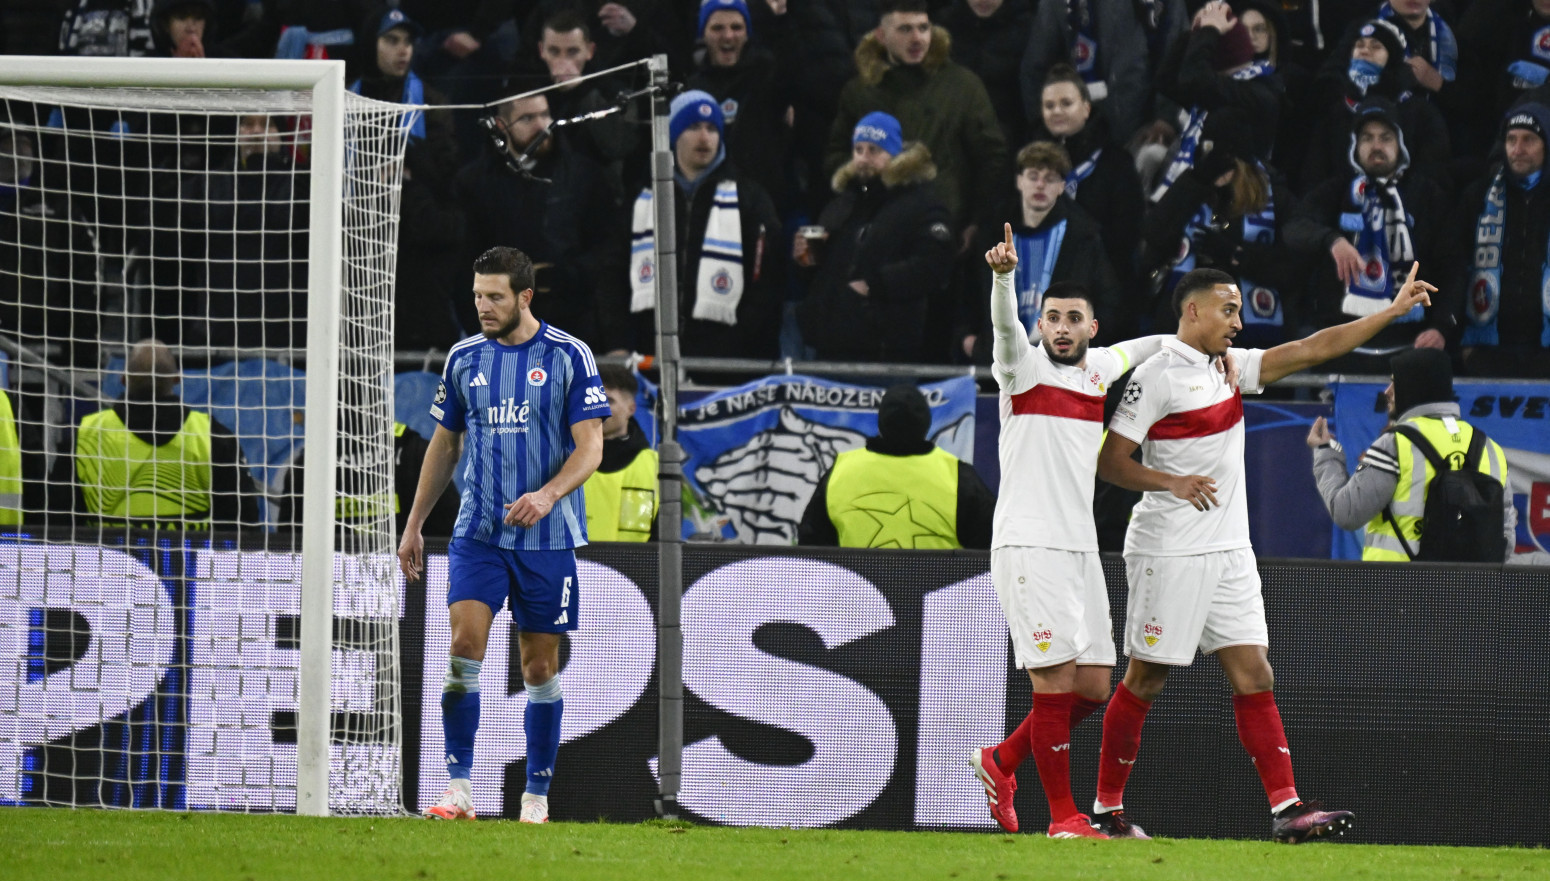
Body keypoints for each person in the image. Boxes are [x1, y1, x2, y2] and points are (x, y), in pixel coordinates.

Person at [1090, 263, 1434, 843]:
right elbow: (1110, 461)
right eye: (1228, 310)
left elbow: (1310, 348)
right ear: (1192, 310)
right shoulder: (1158, 376)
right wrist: (1170, 482)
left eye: (1240, 310)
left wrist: (1392, 313)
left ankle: (1287, 809)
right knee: (1146, 677)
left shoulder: (1229, 367)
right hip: (1171, 546)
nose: (1239, 321)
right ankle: (1105, 811)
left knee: (1254, 673)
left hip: (1229, 548)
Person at [966, 226, 1178, 840]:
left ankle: (1001, 761)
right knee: (1053, 683)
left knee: (1091, 685)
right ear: (1040, 326)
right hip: (1029, 544)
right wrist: (1003, 279)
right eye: (1051, 317)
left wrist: (1199, 344)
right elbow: (1005, 328)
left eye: (1073, 319)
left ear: (1091, 327)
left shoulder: (1098, 372)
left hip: (1080, 548)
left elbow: (1146, 346)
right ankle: (1063, 819)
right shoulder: (1021, 369)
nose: (1060, 327)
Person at [399, 246, 608, 824]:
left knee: (538, 668)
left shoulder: (569, 355)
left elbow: (591, 446)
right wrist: (414, 524)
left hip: (548, 536)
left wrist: (546, 495)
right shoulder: (465, 358)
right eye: (476, 297)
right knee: (464, 647)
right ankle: (459, 788)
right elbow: (445, 445)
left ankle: (536, 797)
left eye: (494, 297)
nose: (483, 307)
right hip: (479, 532)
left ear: (524, 297)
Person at [1284, 97, 1452, 371]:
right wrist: (1333, 240)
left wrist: (1442, 326)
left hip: (1410, 347)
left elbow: (1452, 266)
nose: (1376, 146)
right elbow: (1294, 228)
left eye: (1385, 138)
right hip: (1341, 349)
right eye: (1367, 138)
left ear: (1400, 145)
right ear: (1355, 146)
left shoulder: (1427, 195)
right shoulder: (1336, 191)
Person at [455, 87, 625, 352]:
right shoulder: (475, 184)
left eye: (545, 115)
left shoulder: (584, 176)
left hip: (573, 329)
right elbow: (464, 264)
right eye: (527, 118)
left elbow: (606, 252)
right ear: (501, 125)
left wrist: (568, 274)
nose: (542, 126)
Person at [825, 0, 1007, 244]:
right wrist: (863, 169)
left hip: (944, 229)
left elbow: (992, 158)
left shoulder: (963, 86)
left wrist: (976, 222)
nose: (917, 38)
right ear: (881, 35)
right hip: (875, 231)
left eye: (923, 28)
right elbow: (836, 155)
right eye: (905, 29)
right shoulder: (859, 92)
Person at [1308, 348, 1515, 561]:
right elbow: (1505, 537)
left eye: (1394, 382)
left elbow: (1347, 511)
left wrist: (1326, 453)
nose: (1387, 392)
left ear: (1414, 386)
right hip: (1469, 590)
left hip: (1397, 587)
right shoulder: (1491, 449)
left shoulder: (1396, 443)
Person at [621, 89, 783, 363]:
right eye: (693, 127)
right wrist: (619, 343)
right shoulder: (644, 198)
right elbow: (615, 274)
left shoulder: (750, 198)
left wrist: (738, 344)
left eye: (712, 128)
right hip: (652, 355)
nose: (704, 137)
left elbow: (767, 282)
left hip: (729, 361)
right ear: (672, 135)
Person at [796, 112, 955, 363]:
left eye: (874, 150)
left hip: (884, 351)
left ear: (895, 155)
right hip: (828, 346)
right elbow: (829, 271)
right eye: (858, 150)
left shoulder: (922, 205)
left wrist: (875, 285)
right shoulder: (843, 203)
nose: (863, 158)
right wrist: (808, 260)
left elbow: (932, 266)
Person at [57, 339, 260, 530]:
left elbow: (57, 520)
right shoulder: (211, 436)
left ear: (124, 379)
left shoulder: (86, 436)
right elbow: (243, 522)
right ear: (177, 378)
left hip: (105, 565)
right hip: (189, 565)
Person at [1142, 107, 1301, 347]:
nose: (1217, 164)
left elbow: (1293, 268)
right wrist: (1195, 181)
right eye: (1209, 154)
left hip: (1248, 336)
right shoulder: (1192, 189)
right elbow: (1153, 237)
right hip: (1185, 331)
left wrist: (1238, 255)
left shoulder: (1277, 199)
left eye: (1225, 157)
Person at [959, 141, 1121, 363]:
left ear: (1062, 186)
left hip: (1060, 364)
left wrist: (1082, 346)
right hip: (999, 362)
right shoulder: (991, 234)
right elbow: (969, 291)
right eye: (1033, 176)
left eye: (1050, 179)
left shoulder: (1084, 237)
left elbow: (1108, 299)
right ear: (1019, 181)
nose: (1040, 185)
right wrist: (970, 341)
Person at [798, 383, 994, 549]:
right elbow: (993, 546)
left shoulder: (840, 472)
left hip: (856, 593)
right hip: (935, 592)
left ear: (881, 422)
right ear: (925, 423)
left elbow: (811, 549)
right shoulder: (958, 477)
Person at [1452, 102, 1550, 378]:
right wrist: (1459, 338)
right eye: (1511, 140)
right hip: (1487, 350)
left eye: (1529, 140)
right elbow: (1455, 267)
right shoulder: (1478, 197)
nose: (1518, 149)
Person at [1035, 64, 1145, 302]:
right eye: (1049, 105)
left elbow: (1127, 235)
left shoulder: (1116, 163)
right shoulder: (1031, 164)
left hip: (1101, 288)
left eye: (1066, 103)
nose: (1056, 111)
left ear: (1086, 108)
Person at [1018, 0, 1155, 149]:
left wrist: (1164, 118)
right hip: (1072, 135)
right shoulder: (1054, 5)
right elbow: (1034, 70)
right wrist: (1045, 130)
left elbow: (1139, 67)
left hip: (1139, 127)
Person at [582, 364, 657, 542]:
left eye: (608, 400)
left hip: (633, 568)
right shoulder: (557, 457)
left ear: (631, 409)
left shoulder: (655, 467)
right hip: (567, 567)